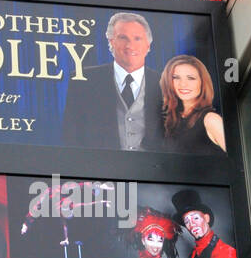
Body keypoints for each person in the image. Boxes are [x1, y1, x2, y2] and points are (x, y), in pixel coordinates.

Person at [61, 12, 164, 151]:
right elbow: (71, 138)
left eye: (137, 38)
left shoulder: (166, 84)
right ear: (111, 42)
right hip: (99, 169)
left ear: (148, 45)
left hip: (152, 170)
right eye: (123, 38)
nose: (130, 45)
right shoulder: (83, 81)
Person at [172, 189, 241, 258]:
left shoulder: (228, 253)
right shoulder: (193, 256)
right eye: (187, 221)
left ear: (207, 218)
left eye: (195, 218)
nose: (192, 224)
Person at [158, 55, 225, 153]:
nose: (183, 84)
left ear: (202, 82)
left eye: (191, 78)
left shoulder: (211, 120)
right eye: (176, 77)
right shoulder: (169, 118)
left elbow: (239, 160)